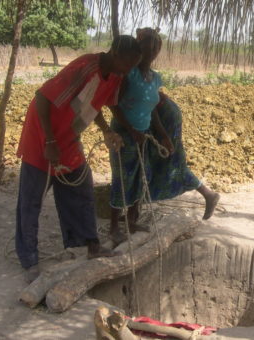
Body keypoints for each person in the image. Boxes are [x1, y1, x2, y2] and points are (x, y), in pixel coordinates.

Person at [15, 35, 142, 282]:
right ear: (115, 53)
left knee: (81, 188)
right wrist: (49, 142)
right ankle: (29, 259)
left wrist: (107, 130)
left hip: (69, 136)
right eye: (128, 63)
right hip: (43, 136)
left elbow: (99, 104)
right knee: (31, 200)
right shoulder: (85, 67)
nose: (129, 69)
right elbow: (42, 97)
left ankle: (87, 245)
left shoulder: (115, 76)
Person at [108, 28, 219, 244]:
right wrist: (131, 131)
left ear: (158, 51)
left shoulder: (154, 78)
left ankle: (131, 221)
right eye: (145, 48)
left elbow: (153, 111)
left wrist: (163, 136)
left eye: (154, 48)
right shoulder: (127, 74)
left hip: (144, 133)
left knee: (141, 176)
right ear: (137, 50)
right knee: (122, 178)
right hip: (125, 134)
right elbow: (114, 104)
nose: (150, 52)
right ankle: (113, 228)